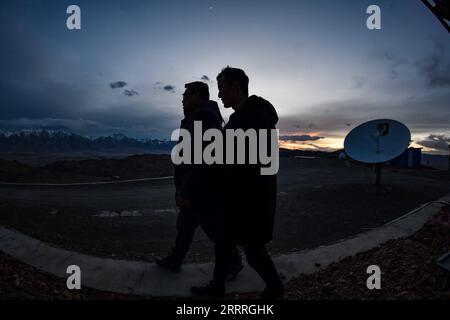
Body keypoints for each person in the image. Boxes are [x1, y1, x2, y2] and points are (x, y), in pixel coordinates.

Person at [190, 67, 285, 299]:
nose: (219, 95)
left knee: (253, 251)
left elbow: (253, 161)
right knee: (223, 244)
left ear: (235, 87)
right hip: (237, 197)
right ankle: (217, 287)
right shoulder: (243, 116)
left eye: (222, 88)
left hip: (250, 199)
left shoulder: (254, 116)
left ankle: (275, 289)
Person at [156, 81, 243, 280]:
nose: (182, 98)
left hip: (199, 188)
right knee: (185, 226)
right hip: (197, 185)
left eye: (186, 94)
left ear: (196, 95)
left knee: (211, 228)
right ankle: (175, 260)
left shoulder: (202, 117)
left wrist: (186, 190)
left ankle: (233, 261)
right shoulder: (201, 116)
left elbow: (203, 158)